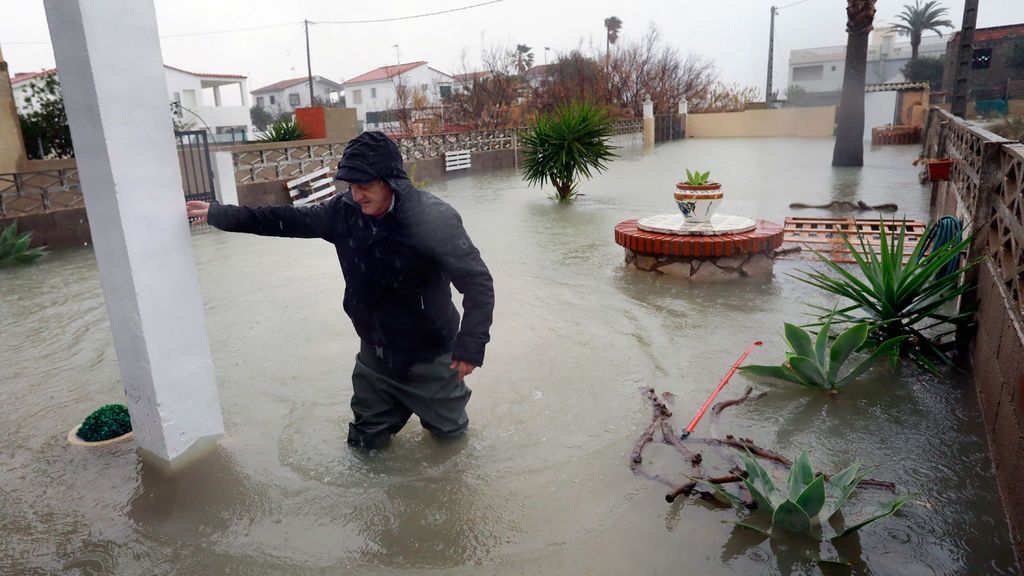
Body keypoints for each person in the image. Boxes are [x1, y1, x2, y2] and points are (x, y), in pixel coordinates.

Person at [186, 131, 494, 449]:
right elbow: (284, 219)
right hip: (375, 355)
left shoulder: (434, 219)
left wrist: (470, 346)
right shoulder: (343, 213)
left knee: (451, 446)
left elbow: (477, 282)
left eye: (365, 186)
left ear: (391, 181)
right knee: (364, 444)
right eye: (351, 185)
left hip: (431, 356)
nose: (357, 195)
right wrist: (218, 214)